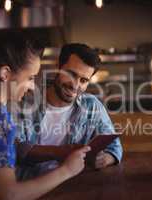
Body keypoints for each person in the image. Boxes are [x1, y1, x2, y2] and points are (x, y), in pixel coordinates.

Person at [0, 34, 90, 200]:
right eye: (30, 78)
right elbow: (9, 194)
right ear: (5, 73)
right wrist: (67, 170)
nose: (31, 86)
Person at [16, 43, 123, 179]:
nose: (75, 85)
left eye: (83, 80)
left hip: (73, 187)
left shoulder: (92, 106)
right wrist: (60, 152)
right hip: (30, 188)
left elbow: (115, 148)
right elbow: (16, 149)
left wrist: (103, 159)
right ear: (58, 67)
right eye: (71, 74)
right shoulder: (24, 101)